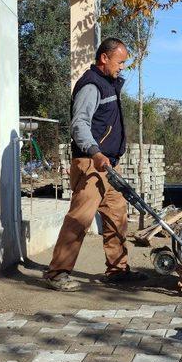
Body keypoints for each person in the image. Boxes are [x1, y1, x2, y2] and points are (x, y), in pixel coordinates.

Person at [44, 38, 146, 291]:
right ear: (104, 58)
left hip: (109, 165)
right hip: (91, 163)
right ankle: (57, 273)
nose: (123, 67)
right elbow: (79, 124)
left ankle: (117, 270)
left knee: (116, 216)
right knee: (80, 218)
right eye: (120, 61)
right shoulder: (91, 85)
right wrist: (95, 152)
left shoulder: (109, 85)